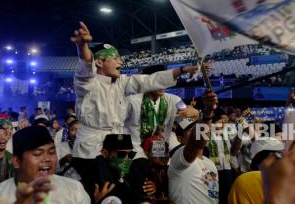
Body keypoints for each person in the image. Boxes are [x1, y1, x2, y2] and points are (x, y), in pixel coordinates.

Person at [69, 21, 201, 197]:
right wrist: (83, 45)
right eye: (115, 58)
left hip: (131, 145)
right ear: (99, 62)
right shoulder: (88, 83)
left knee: (136, 186)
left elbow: (150, 81)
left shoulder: (172, 99)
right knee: (107, 191)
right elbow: (86, 64)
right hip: (94, 147)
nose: (120, 61)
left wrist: (182, 71)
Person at [0, 125, 91, 203]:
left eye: (52, 152)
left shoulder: (74, 189)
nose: (47, 159)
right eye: (37, 154)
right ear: (16, 161)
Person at [125, 64, 198, 158]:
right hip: (137, 149)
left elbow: (186, 123)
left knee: (188, 157)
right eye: (159, 81)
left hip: (164, 146)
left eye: (164, 81)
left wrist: (196, 114)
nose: (163, 85)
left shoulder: (176, 100)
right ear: (148, 82)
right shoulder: (132, 101)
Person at [168, 91, 219, 204]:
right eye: (191, 130)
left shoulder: (210, 163)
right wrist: (208, 111)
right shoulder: (179, 158)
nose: (196, 131)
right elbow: (197, 142)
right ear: (180, 139)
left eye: (197, 127)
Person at [89, 134, 156, 203]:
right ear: (105, 153)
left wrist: (149, 192)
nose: (127, 159)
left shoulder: (132, 170)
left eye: (130, 154)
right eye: (121, 154)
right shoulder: (95, 175)